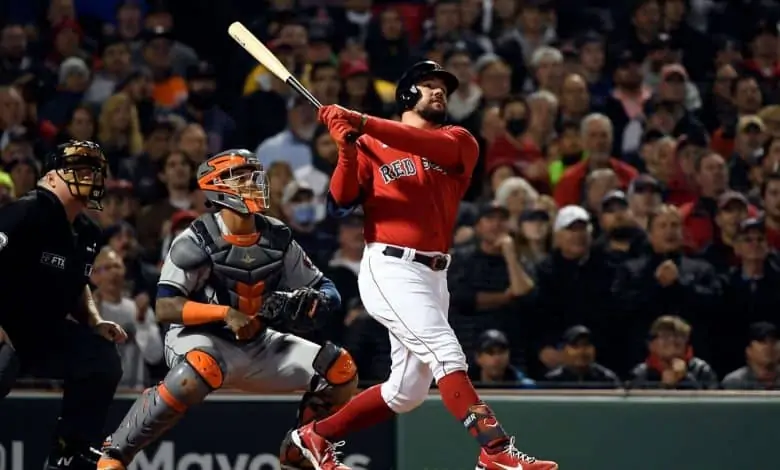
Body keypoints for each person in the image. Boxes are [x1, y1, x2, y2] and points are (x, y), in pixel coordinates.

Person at [289, 61, 558, 470]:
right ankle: (495, 451)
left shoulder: (459, 140)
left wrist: (359, 120)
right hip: (390, 266)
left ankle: (316, 435)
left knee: (406, 393)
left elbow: (424, 144)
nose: (438, 92)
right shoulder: (368, 143)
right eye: (428, 85)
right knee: (447, 353)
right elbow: (341, 201)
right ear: (407, 95)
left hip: (434, 274)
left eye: (443, 88)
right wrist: (346, 146)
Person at [96, 149, 355, 470]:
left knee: (340, 370)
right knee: (198, 370)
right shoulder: (195, 239)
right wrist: (224, 314)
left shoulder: (277, 235)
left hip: (259, 340)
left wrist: (319, 301)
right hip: (200, 338)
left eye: (253, 175)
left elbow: (326, 287)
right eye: (242, 177)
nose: (253, 182)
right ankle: (116, 452)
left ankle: (301, 446)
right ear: (217, 186)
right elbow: (165, 307)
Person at [0, 140, 128, 469]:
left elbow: (78, 285)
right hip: (5, 329)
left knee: (100, 357)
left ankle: (71, 449)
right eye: (82, 169)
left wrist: (95, 321)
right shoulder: (25, 212)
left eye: (96, 171)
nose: (92, 177)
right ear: (52, 176)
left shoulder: (87, 231)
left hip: (42, 334)